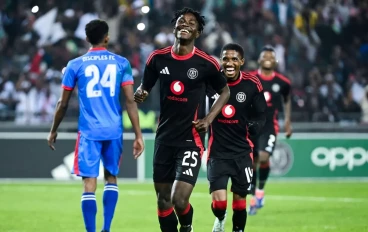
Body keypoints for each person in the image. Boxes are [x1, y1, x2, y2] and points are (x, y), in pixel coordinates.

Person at [134, 7, 230, 232]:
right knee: (162, 201)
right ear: (174, 27)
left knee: (179, 199)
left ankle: (186, 227)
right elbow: (144, 86)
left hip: (191, 139)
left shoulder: (206, 64)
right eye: (181, 21)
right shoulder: (157, 59)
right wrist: (141, 92)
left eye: (191, 23)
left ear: (198, 32)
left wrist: (208, 119)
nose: (185, 24)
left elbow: (225, 92)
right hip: (164, 139)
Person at [47, 19, 144, 232]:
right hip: (113, 130)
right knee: (111, 177)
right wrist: (138, 135)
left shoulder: (75, 64)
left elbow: (62, 103)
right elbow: (130, 101)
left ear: (86, 38)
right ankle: (106, 228)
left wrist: (53, 129)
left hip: (89, 132)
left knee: (89, 184)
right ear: (107, 37)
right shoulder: (121, 63)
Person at [206, 43, 267, 232]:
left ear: (242, 61)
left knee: (240, 203)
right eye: (225, 59)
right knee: (220, 205)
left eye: (234, 59)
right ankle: (220, 219)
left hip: (242, 152)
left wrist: (254, 127)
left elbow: (261, 114)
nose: (229, 63)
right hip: (217, 152)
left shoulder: (252, 84)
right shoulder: (212, 82)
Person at [248, 46, 292, 215]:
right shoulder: (250, 78)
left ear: (276, 61)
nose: (267, 58)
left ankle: (260, 191)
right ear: (259, 60)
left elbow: (287, 100)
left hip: (269, 126)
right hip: (251, 125)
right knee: (252, 162)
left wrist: (288, 121)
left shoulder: (282, 82)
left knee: (264, 157)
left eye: (270, 56)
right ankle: (253, 197)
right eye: (264, 55)